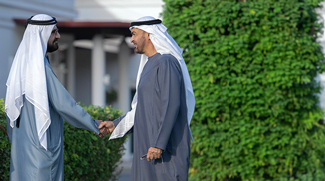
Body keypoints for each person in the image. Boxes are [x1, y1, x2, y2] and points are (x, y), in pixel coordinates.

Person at [99, 16, 195, 181]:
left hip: (165, 152)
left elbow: (171, 105)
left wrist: (159, 143)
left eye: (135, 34)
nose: (132, 39)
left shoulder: (167, 62)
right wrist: (115, 124)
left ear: (149, 35)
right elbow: (140, 109)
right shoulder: (149, 65)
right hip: (148, 149)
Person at [5, 14, 100, 181]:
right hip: (41, 155)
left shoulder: (20, 67)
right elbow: (64, 104)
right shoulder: (39, 69)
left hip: (21, 152)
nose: (58, 36)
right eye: (54, 32)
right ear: (41, 34)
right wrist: (94, 125)